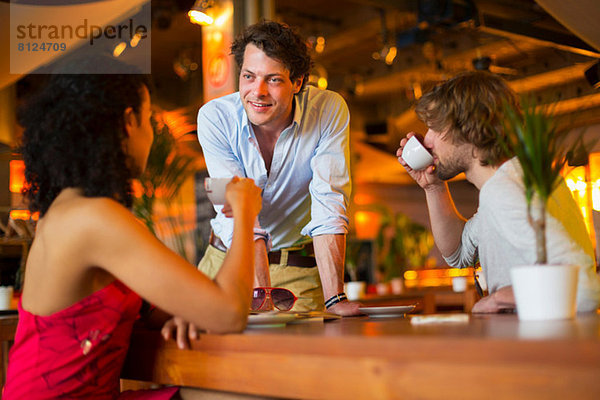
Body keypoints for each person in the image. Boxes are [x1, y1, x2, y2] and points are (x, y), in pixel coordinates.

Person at [3, 60, 262, 399]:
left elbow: (143, 309)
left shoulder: (69, 210)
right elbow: (229, 313)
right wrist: (243, 211)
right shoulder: (94, 218)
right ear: (128, 122)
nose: (153, 135)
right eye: (150, 120)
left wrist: (190, 308)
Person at [396, 71, 600, 313]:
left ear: (471, 127)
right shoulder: (515, 182)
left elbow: (584, 288)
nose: (426, 141)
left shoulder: (504, 190)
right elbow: (458, 253)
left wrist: (499, 297)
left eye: (434, 128)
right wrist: (433, 186)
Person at [196, 20, 360, 316]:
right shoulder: (214, 118)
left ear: (297, 82)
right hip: (227, 263)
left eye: (273, 80)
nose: (257, 91)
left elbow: (329, 200)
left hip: (297, 271)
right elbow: (238, 210)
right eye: (248, 76)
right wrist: (261, 299)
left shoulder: (328, 110)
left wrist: (335, 299)